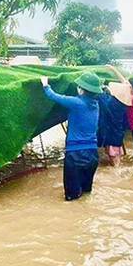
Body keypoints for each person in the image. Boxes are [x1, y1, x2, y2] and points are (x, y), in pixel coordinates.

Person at [41, 72, 102, 200]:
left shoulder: (77, 103)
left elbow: (54, 96)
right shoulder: (96, 105)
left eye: (79, 86)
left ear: (82, 90)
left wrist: (45, 84)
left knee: (72, 197)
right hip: (92, 154)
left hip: (76, 154)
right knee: (86, 193)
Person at [104, 64, 133, 162]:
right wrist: (113, 69)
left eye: (129, 86)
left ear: (132, 87)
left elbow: (117, 94)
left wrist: (107, 88)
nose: (126, 86)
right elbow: (123, 81)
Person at [97, 81, 132, 166]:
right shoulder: (123, 105)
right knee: (116, 155)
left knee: (113, 158)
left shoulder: (112, 103)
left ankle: (117, 172)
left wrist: (102, 88)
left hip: (112, 134)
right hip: (118, 134)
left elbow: (102, 99)